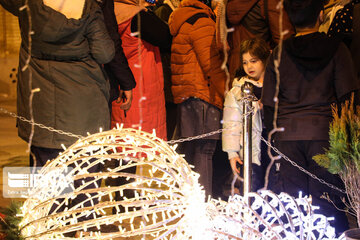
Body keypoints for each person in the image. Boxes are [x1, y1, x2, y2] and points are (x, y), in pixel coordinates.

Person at [262, 0, 360, 235]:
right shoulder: (337, 50)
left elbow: (268, 103)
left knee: (293, 207)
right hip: (326, 138)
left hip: (288, 138)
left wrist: (275, 138)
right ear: (321, 14)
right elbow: (349, 98)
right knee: (328, 205)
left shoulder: (278, 53)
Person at [0, 0, 114, 167]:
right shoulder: (90, 9)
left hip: (41, 109)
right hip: (83, 110)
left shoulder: (28, 5)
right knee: (83, 179)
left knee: (45, 179)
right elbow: (105, 53)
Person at [168, 0, 227, 197]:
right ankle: (203, 207)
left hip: (187, 96)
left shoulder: (184, 19)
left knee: (191, 153)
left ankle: (187, 204)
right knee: (204, 151)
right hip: (203, 95)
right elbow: (211, 65)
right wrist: (227, 92)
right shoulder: (202, 21)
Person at [112, 0, 171, 141]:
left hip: (118, 82)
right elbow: (166, 37)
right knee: (145, 144)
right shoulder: (137, 17)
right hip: (142, 87)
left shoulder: (106, 12)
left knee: (122, 141)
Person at [222, 38, 270, 192]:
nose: (249, 66)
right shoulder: (237, 91)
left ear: (263, 60)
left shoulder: (275, 85)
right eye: (245, 62)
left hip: (274, 149)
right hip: (250, 152)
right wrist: (232, 153)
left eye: (253, 61)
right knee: (251, 192)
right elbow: (231, 124)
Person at [226, 0, 294, 80]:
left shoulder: (227, 4)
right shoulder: (267, 3)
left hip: (237, 69)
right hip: (263, 72)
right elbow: (285, 39)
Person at [97, 0, 136, 112]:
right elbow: (109, 43)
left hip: (48, 78)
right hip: (92, 78)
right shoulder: (138, 16)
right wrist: (126, 82)